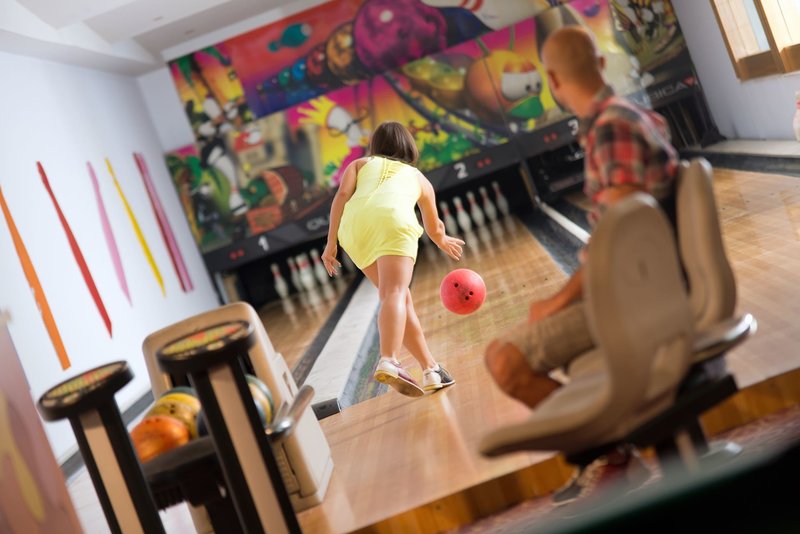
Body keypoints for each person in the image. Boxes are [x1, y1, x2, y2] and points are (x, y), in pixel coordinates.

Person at [484, 26, 679, 503]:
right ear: (601, 63)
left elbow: (619, 240)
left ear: (551, 80)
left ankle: (609, 456)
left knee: (504, 361)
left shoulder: (611, 129)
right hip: (645, 283)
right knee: (529, 347)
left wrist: (556, 303)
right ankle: (607, 456)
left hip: (639, 296)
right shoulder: (634, 116)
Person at [321, 121, 464, 397]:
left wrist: (331, 243)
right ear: (409, 147)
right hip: (393, 222)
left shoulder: (359, 164)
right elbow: (434, 227)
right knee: (395, 293)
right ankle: (389, 359)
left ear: (375, 146)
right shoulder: (419, 178)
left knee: (398, 298)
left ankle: (431, 369)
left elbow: (341, 196)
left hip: (353, 230)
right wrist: (443, 240)